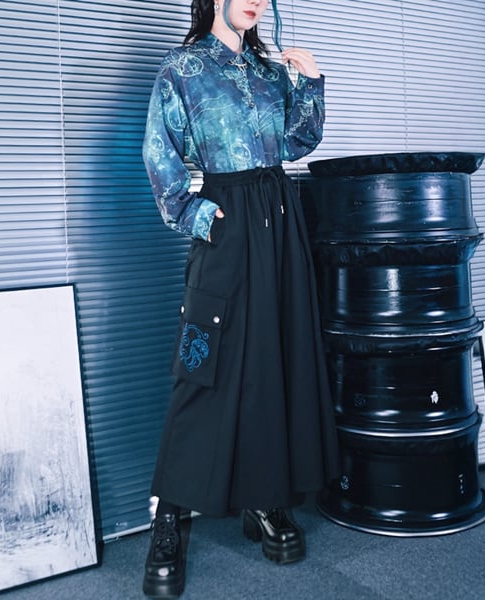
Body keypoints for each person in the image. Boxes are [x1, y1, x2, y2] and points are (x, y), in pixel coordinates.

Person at [141, 0, 339, 596]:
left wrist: (309, 84)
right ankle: (170, 520)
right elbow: (158, 153)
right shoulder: (182, 70)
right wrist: (199, 216)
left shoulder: (270, 72)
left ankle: (265, 501)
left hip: (281, 221)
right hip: (228, 224)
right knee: (204, 368)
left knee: (273, 361)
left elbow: (298, 142)